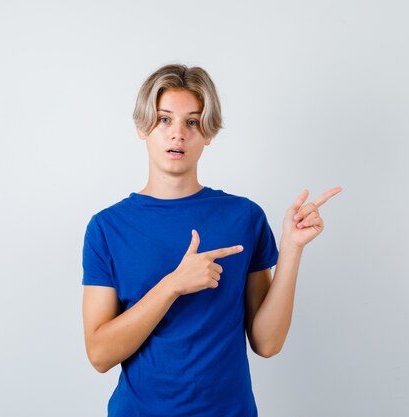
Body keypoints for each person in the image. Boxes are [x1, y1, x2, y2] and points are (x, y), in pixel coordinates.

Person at [81, 63, 342, 417]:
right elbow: (99, 354)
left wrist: (292, 248)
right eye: (163, 119)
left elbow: (267, 343)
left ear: (208, 133)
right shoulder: (107, 227)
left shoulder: (244, 217)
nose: (178, 134)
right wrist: (173, 285)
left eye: (192, 122)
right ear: (143, 127)